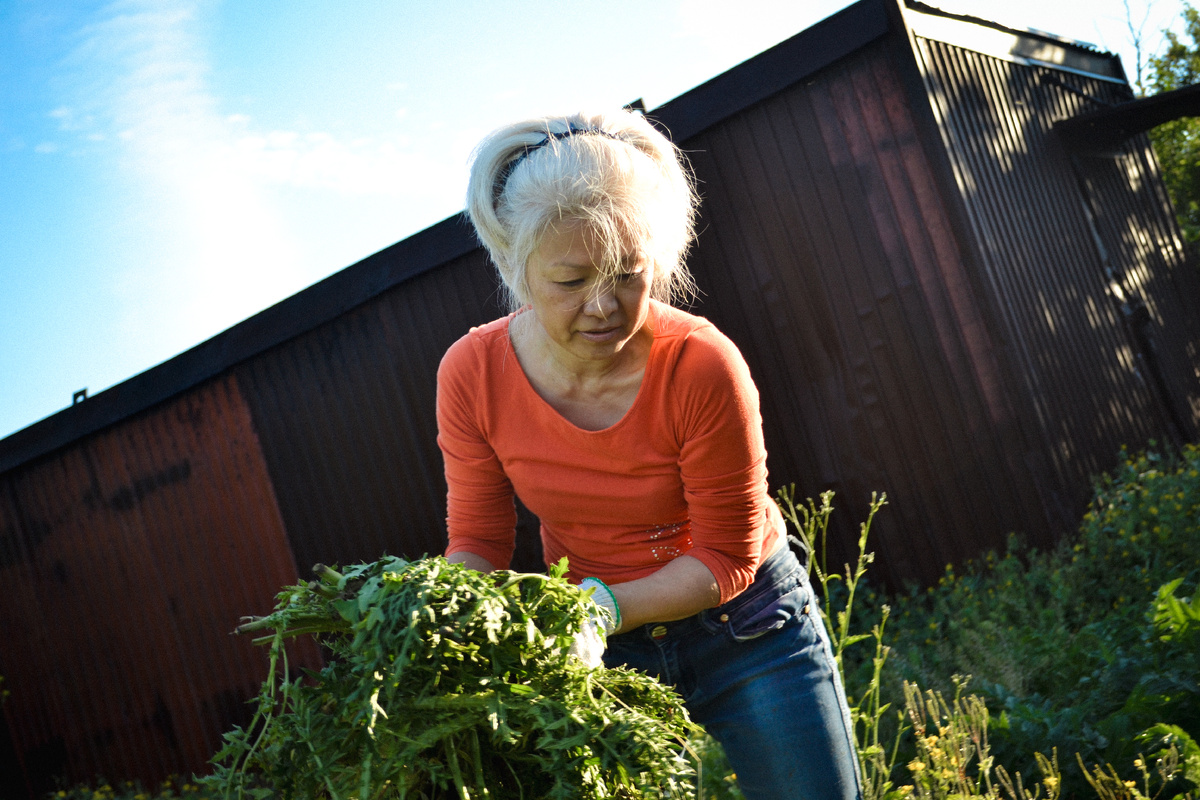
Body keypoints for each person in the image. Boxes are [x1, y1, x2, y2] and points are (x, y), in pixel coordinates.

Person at [436, 109, 862, 800]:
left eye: (627, 274)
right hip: (601, 653)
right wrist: (445, 614)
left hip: (748, 627)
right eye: (571, 281)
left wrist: (599, 606)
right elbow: (480, 541)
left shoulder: (702, 365)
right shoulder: (472, 375)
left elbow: (728, 557)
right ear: (516, 268)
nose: (603, 305)